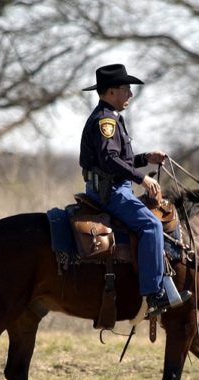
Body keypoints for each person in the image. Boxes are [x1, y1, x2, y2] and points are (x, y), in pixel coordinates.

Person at [79, 63, 191, 317]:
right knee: (151, 225)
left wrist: (144, 158)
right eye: (126, 88)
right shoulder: (106, 120)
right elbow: (109, 159)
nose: (130, 94)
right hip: (111, 192)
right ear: (110, 92)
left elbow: (116, 159)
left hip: (116, 187)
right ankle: (154, 294)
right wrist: (142, 179)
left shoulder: (111, 118)